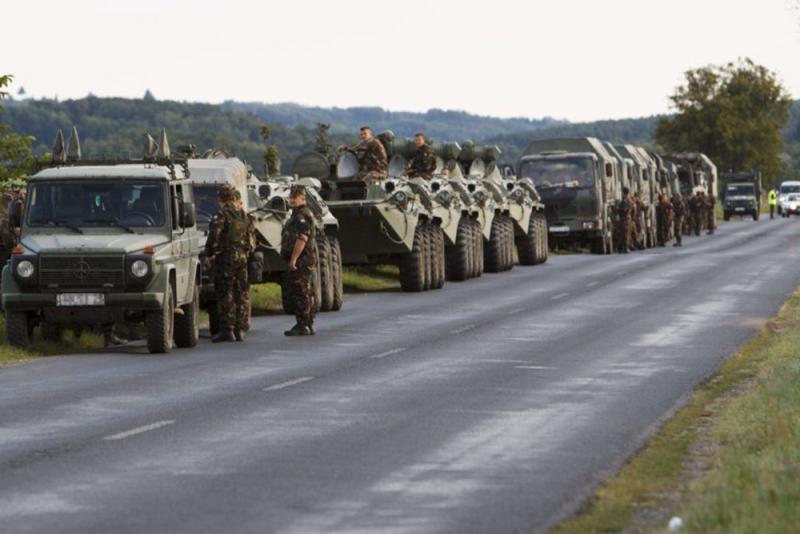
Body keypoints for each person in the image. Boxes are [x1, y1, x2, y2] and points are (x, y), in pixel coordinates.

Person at [205, 184, 252, 343]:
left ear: (220, 199)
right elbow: (251, 238)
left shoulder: (222, 215)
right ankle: (240, 329)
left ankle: (227, 330)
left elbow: (214, 237)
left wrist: (209, 254)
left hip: (226, 258)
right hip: (242, 258)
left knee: (226, 293)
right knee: (241, 293)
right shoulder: (243, 215)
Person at [281, 185, 318, 336]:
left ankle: (303, 324)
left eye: (295, 198)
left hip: (302, 259)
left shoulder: (302, 215)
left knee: (300, 291)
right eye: (290, 197)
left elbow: (302, 238)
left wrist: (294, 259)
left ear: (302, 198)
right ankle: (307, 323)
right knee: (306, 291)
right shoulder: (298, 214)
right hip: (304, 259)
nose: (292, 200)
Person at [617, 187, 633, 253]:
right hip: (626, 219)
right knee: (624, 234)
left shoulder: (627, 200)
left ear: (624, 193)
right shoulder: (627, 200)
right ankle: (621, 247)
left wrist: (618, 209)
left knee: (626, 234)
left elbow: (625, 210)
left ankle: (626, 248)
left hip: (625, 219)